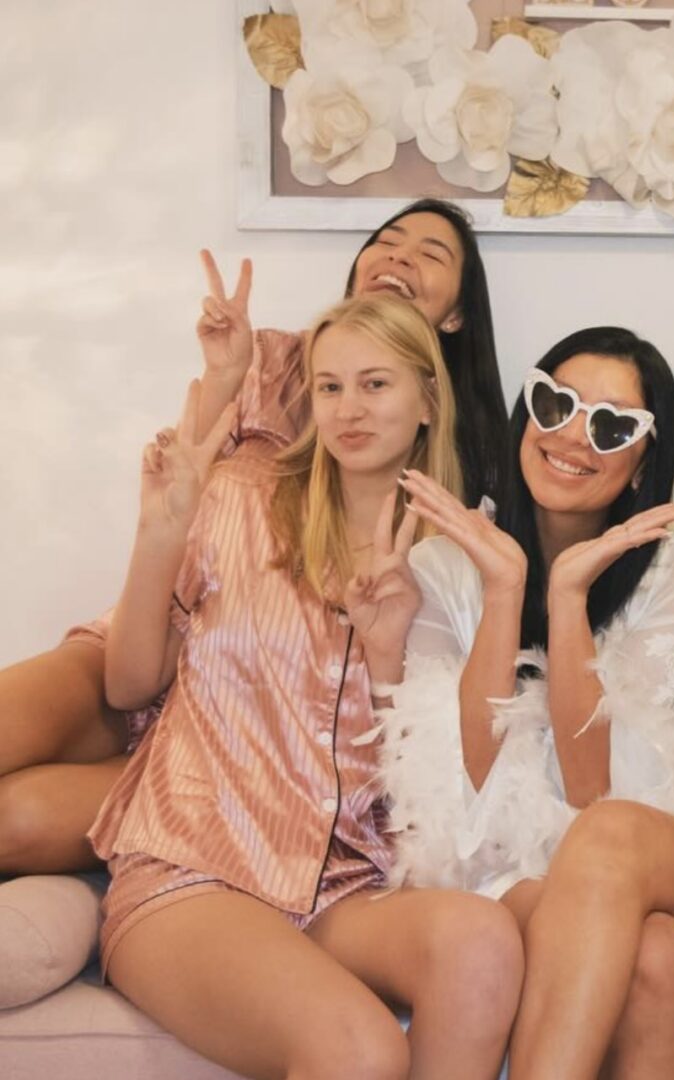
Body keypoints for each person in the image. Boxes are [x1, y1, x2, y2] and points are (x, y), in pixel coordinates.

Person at [0, 198, 512, 875]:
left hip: (257, 727)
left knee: (22, 820)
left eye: (430, 253)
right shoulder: (267, 361)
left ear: (454, 318)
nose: (399, 256)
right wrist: (222, 377)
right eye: (388, 241)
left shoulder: (450, 490)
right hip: (174, 630)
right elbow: (184, 482)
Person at [89, 293, 521, 1080]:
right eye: (329, 387)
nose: (348, 409)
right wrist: (160, 533)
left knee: (481, 941)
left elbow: (437, 786)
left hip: (346, 884)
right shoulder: (237, 499)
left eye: (374, 384)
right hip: (195, 866)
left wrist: (386, 655)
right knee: (361, 1050)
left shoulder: (457, 561)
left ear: (428, 400)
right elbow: (127, 686)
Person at [366, 327, 674, 1079]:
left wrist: (568, 598)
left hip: (660, 854)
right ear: (525, 416)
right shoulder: (443, 564)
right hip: (504, 870)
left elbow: (593, 788)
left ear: (643, 464)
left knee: (606, 836)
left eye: (612, 426)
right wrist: (505, 591)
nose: (573, 436)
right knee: (657, 959)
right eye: (555, 404)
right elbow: (469, 785)